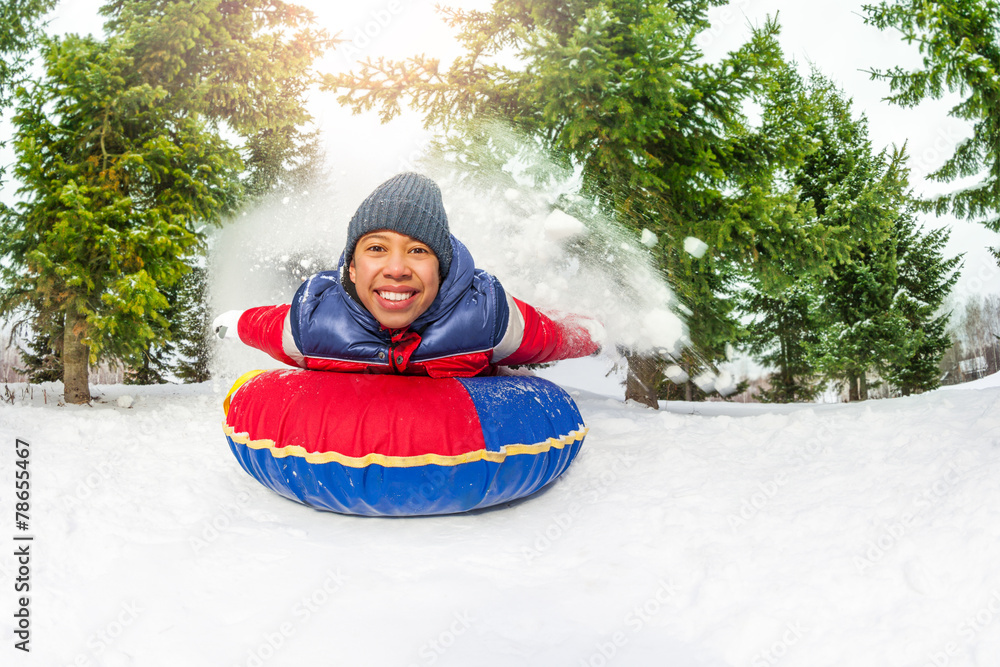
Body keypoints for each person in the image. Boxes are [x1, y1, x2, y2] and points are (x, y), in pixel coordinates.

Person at [213, 172, 603, 378]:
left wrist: (590, 337)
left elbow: (547, 339)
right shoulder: (314, 321)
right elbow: (263, 326)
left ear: (441, 268)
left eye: (418, 251)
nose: (397, 269)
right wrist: (233, 324)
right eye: (377, 249)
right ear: (351, 266)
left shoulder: (485, 316)